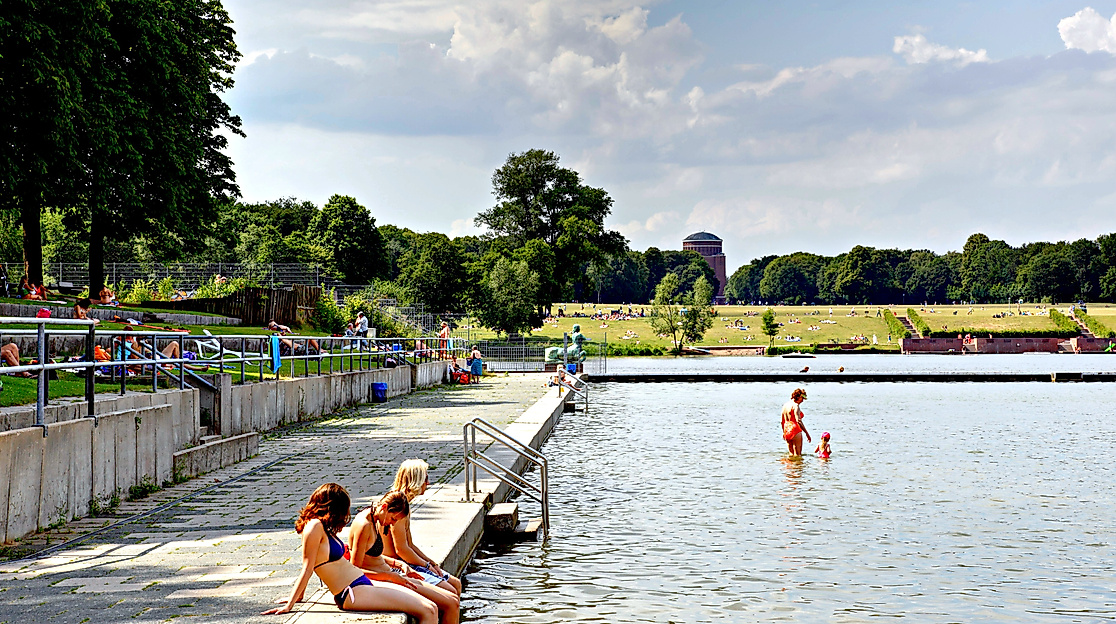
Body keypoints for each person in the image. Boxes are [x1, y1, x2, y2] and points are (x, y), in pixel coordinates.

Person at [262, 484, 437, 620]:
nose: (345, 516)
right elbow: (307, 567)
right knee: (427, 611)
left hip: (361, 584)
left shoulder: (322, 527)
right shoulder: (314, 527)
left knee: (431, 607)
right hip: (352, 592)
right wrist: (290, 604)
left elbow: (313, 564)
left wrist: (299, 597)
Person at [348, 491, 459, 624]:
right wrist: (389, 576)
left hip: (393, 574)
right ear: (384, 507)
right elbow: (354, 571)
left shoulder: (373, 516)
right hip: (386, 579)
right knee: (449, 605)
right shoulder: (364, 525)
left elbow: (370, 555)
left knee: (453, 600)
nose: (393, 524)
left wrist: (399, 564)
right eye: (393, 518)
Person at [384, 460, 463, 596]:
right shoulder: (398, 508)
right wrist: (427, 566)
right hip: (395, 566)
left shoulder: (404, 505)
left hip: (403, 562)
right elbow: (401, 550)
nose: (428, 483)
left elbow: (410, 545)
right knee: (450, 591)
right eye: (425, 478)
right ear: (416, 480)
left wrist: (431, 563)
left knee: (456, 583)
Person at [780, 388, 812, 456]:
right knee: (798, 455)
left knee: (791, 454)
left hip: (787, 429)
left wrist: (784, 432)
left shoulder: (785, 405)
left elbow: (782, 421)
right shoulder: (795, 406)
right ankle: (798, 466)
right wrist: (807, 433)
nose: (803, 401)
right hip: (795, 429)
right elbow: (798, 421)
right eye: (802, 398)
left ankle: (790, 466)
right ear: (798, 396)